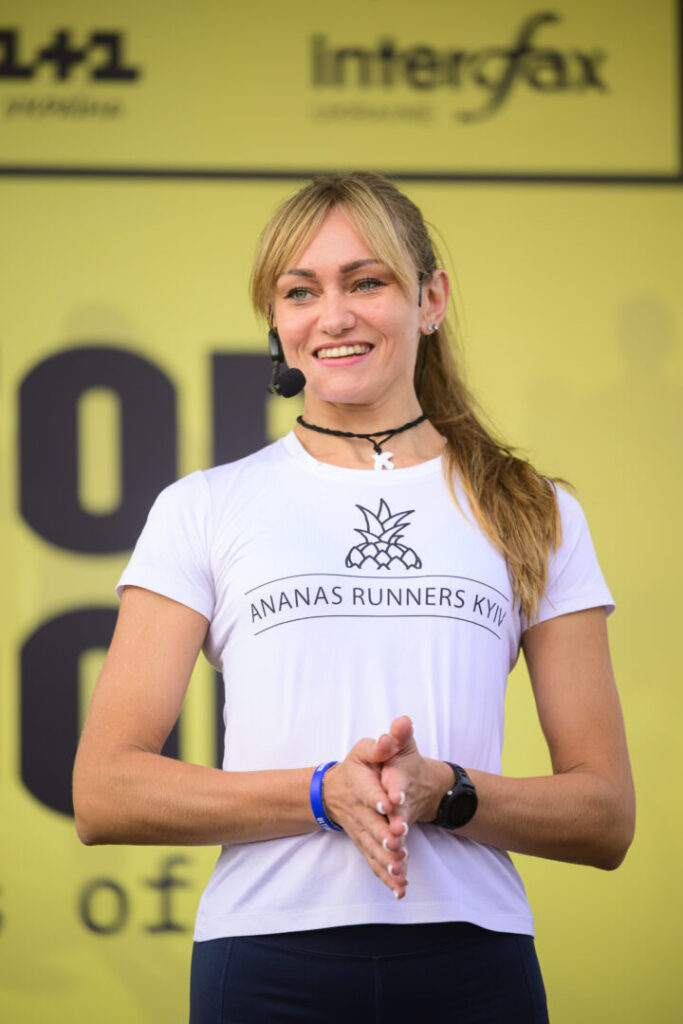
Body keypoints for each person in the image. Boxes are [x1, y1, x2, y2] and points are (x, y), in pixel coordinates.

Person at [73, 172, 635, 1023]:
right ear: (276, 320)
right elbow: (105, 790)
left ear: (430, 299)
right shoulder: (204, 506)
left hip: (474, 961)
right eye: (300, 292)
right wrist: (319, 793)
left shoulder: (534, 509)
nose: (331, 316)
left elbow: (604, 816)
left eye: (365, 282)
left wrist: (446, 791)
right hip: (262, 960)